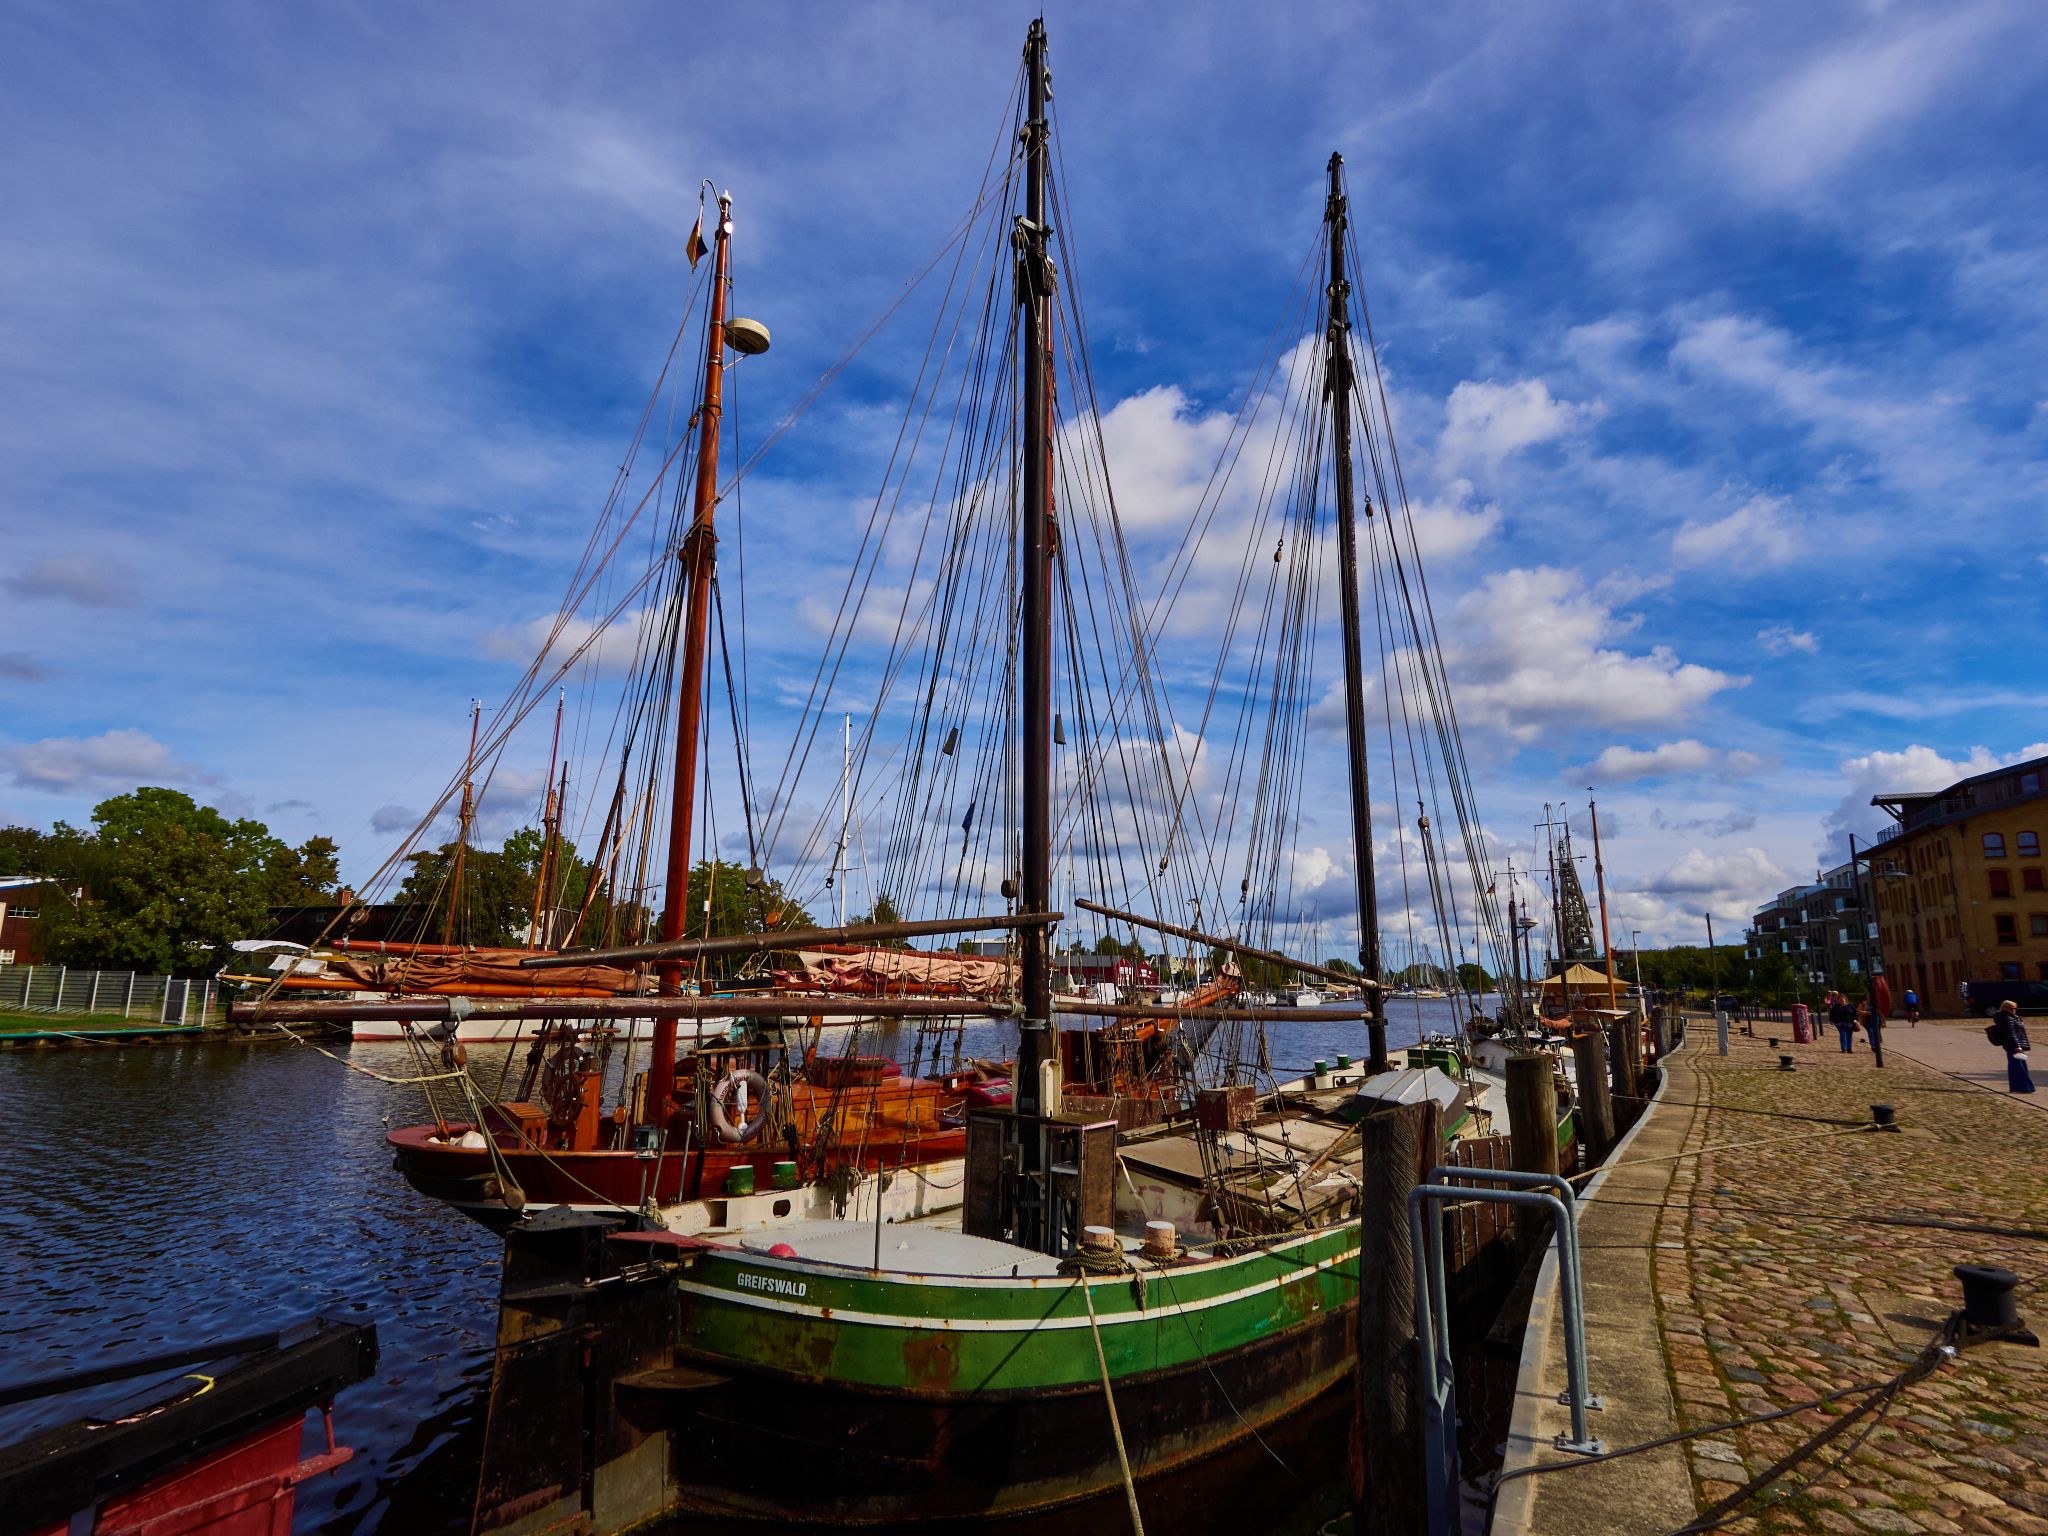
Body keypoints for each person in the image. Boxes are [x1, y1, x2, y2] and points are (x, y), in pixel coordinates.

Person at [1988, 1000, 2035, 1094]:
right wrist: (2017, 1046)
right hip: (2013, 1045)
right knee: (2018, 1067)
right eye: (2012, 1008)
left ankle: (2017, 1087)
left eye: (2015, 1008)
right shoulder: (2006, 1018)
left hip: (2013, 1044)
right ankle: (2022, 1087)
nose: (2014, 1010)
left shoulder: (2011, 1017)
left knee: (2017, 1066)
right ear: (2005, 1008)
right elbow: (2011, 1034)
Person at [1859, 995, 1885, 1068]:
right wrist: (1869, 1013)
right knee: (1871, 1033)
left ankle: (1877, 1046)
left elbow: (1881, 1013)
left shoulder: (1877, 1003)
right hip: (1867, 1022)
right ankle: (1873, 1046)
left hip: (1877, 1022)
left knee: (1877, 1034)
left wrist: (1883, 1022)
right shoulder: (1863, 1004)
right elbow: (1859, 1012)